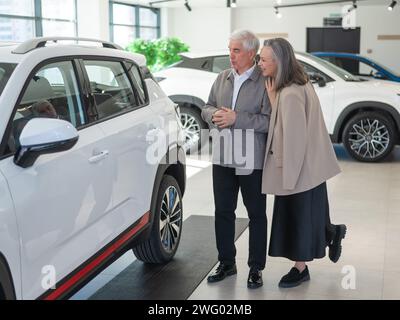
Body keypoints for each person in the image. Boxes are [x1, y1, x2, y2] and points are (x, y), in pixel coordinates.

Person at [258, 38, 347, 288]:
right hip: (312, 168)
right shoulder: (299, 83)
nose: (260, 64)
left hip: (298, 169)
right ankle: (330, 232)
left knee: (296, 219)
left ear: (279, 62)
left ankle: (300, 269)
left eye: (264, 60)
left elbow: (294, 139)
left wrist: (289, 177)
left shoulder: (290, 94)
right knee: (308, 214)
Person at [202, 30, 271, 289]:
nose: (230, 55)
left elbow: (269, 120)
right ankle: (227, 263)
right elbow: (206, 106)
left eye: (236, 50)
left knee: (256, 214)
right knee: (223, 212)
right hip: (222, 157)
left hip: (251, 160)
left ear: (251, 54)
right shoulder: (222, 78)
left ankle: (256, 268)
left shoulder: (265, 81)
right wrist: (214, 115)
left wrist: (236, 119)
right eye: (230, 49)